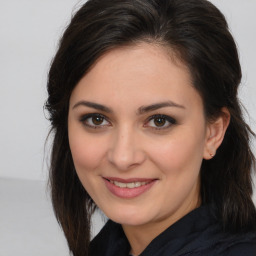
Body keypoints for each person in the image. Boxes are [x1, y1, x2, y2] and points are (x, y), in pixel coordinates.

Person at [45, 0, 256, 255]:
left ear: (213, 133)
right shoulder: (109, 245)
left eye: (159, 121)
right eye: (97, 119)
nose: (122, 157)